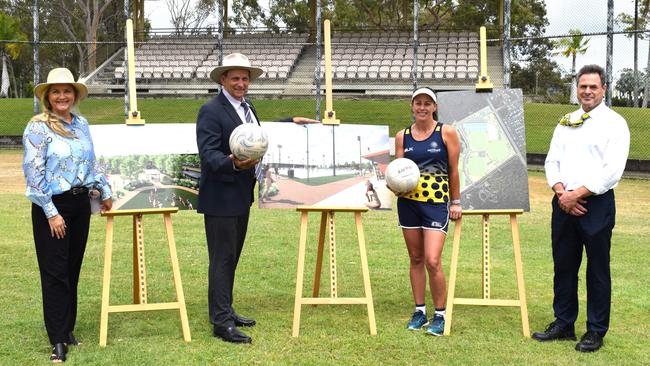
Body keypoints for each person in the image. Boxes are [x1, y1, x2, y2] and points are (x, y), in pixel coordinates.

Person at [196, 53, 316, 344]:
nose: (241, 83)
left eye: (245, 78)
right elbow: (209, 155)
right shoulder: (210, 110)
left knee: (231, 258)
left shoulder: (247, 107)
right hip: (220, 198)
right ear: (223, 79)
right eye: (235, 78)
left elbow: (254, 137)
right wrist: (234, 163)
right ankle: (221, 323)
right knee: (222, 259)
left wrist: (289, 122)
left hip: (240, 197)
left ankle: (225, 309)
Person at [532, 64, 630, 353]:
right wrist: (562, 192)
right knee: (564, 265)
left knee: (597, 269)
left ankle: (595, 330)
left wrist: (578, 194)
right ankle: (564, 322)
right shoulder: (566, 120)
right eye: (582, 86)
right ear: (577, 88)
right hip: (563, 201)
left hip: (595, 204)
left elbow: (612, 170)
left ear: (603, 90)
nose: (587, 91)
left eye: (593, 86)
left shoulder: (615, 123)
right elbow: (552, 161)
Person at [22, 68, 113, 363]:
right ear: (48, 96)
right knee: (54, 272)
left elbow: (91, 164)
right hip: (52, 207)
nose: (62, 96)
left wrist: (105, 190)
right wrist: (50, 212)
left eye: (67, 91)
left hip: (79, 205)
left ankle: (67, 329)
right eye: (56, 91)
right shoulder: (38, 128)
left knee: (72, 269)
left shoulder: (82, 124)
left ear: (74, 95)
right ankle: (57, 339)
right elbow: (33, 174)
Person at [393, 87, 462, 336]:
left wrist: (456, 201)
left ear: (434, 107)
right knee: (416, 258)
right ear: (412, 106)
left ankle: (440, 314)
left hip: (435, 204)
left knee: (432, 260)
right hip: (408, 204)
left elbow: (453, 170)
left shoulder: (446, 132)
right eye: (418, 103)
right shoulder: (403, 136)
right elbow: (398, 169)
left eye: (427, 103)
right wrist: (395, 187)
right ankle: (420, 311)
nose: (422, 107)